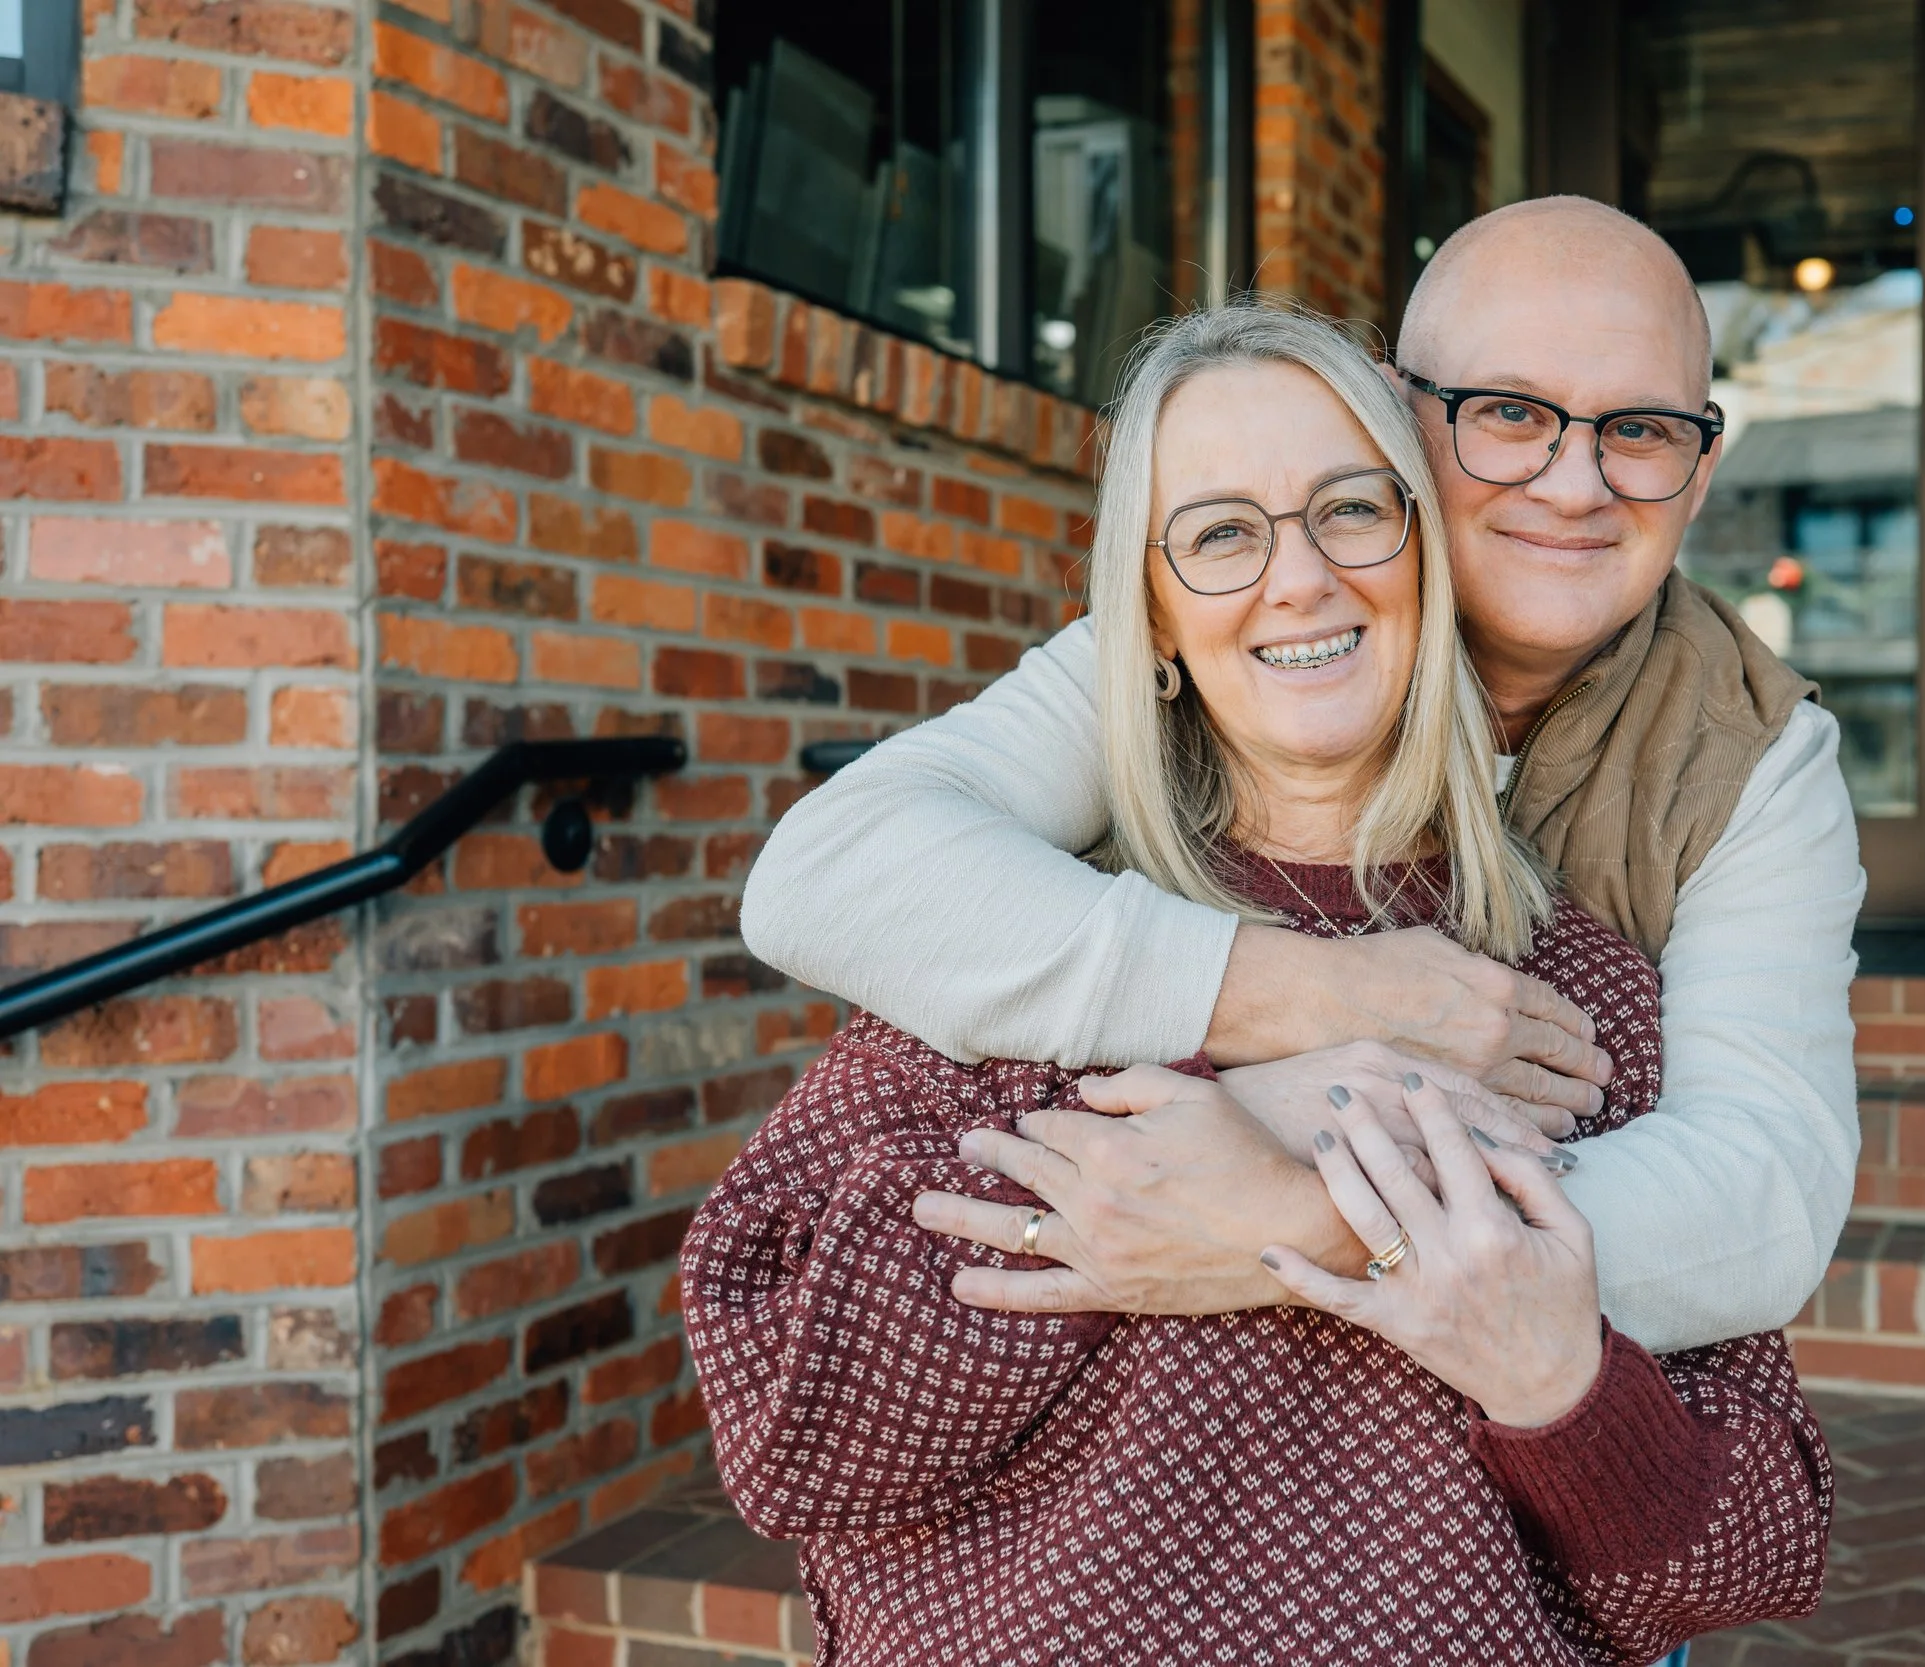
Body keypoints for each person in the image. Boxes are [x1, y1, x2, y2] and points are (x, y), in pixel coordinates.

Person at [682, 305, 1831, 1665]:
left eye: (1351, 510)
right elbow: (798, 1432)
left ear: (1429, 560)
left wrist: (1556, 1389)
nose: (1298, 579)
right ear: (1151, 620)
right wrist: (1236, 1109)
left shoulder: (1569, 1005)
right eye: (1223, 532)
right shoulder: (1010, 953)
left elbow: (1742, 1552)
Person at [739, 197, 1863, 1354]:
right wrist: (1310, 996)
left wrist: (1310, 1221)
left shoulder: (1755, 753)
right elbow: (829, 873)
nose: (1573, 485)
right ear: (1394, 407)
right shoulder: (1253, 627)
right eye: (1510, 413)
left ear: (1702, 462)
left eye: (1638, 429)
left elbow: (1764, 1195)